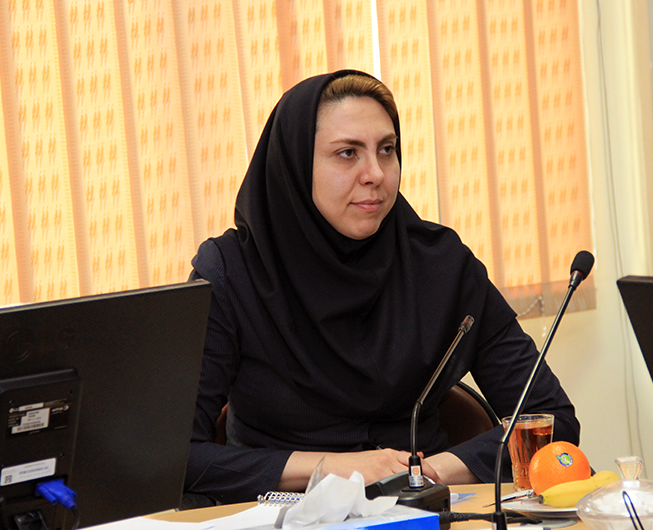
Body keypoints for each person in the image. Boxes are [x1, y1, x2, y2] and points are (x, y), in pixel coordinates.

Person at [185, 70, 579, 505]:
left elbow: (551, 421)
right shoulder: (232, 272)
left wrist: (426, 472)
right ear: (295, 165)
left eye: (387, 150)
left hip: (424, 511)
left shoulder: (442, 266)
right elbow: (178, 456)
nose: (375, 173)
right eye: (347, 153)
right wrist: (328, 468)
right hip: (283, 513)